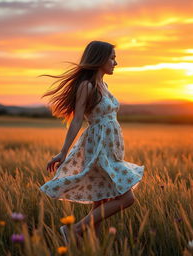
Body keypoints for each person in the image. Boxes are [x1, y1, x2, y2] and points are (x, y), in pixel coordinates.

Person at [39, 40, 145, 245]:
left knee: (101, 199)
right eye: (112, 58)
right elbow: (77, 120)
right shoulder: (86, 86)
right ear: (99, 59)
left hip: (111, 150)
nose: (116, 62)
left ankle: (91, 247)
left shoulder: (103, 85)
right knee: (127, 199)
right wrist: (63, 152)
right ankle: (75, 230)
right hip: (97, 149)